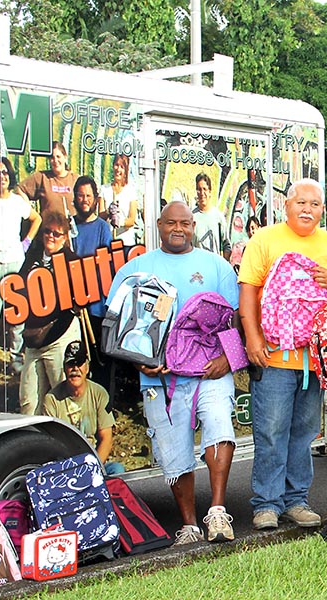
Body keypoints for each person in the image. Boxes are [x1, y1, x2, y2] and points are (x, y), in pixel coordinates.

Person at [107, 201, 240, 546]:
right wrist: (138, 360)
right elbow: (117, 324)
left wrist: (228, 360)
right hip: (160, 378)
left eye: (185, 223)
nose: (178, 229)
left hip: (209, 371)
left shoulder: (217, 266)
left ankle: (217, 513)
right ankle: (189, 526)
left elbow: (234, 319)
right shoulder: (135, 269)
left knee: (220, 427)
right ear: (159, 225)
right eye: (171, 223)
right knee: (173, 449)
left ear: (193, 226)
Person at [238, 178, 327, 530]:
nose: (307, 209)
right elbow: (248, 291)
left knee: (304, 433)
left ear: (323, 210)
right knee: (271, 432)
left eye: (315, 204)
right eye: (301, 202)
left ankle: (296, 501)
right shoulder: (265, 239)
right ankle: (267, 504)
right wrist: (252, 338)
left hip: (315, 361)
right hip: (273, 357)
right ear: (286, 206)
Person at [18, 211, 83, 416]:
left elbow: (80, 300)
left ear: (65, 237)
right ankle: (32, 436)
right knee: (28, 401)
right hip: (33, 339)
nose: (51, 236)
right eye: (47, 231)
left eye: (57, 233)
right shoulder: (33, 256)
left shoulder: (72, 261)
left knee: (64, 397)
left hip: (60, 336)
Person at [0, 157, 41, 373]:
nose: (2, 177)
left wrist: (26, 242)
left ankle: (16, 359)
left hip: (15, 262)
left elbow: (36, 219)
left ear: (10, 176)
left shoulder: (17, 202)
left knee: (17, 314)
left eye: (5, 172)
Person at [42, 341, 124, 475]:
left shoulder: (99, 393)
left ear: (87, 367)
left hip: (93, 462)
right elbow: (51, 444)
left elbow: (106, 439)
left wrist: (92, 469)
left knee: (117, 470)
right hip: (66, 465)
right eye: (70, 364)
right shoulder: (52, 399)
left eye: (79, 363)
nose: (75, 369)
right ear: (64, 368)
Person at [71, 176, 113, 391]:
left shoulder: (102, 228)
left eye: (88, 195)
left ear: (95, 198)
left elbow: (105, 265)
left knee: (100, 360)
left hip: (96, 305)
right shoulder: (70, 227)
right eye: (80, 196)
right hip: (74, 306)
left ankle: (103, 404)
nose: (84, 200)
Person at [17, 141, 78, 217]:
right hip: (48, 224)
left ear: (65, 157)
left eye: (58, 156)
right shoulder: (42, 177)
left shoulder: (75, 179)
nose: (55, 161)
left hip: (71, 224)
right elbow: (19, 189)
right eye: (52, 157)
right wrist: (31, 213)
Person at [99, 154, 140, 247]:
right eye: (116, 165)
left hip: (126, 242)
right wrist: (109, 212)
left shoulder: (131, 191)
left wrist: (119, 222)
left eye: (122, 167)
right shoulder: (104, 189)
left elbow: (131, 220)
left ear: (126, 170)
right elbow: (100, 217)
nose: (118, 169)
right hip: (108, 241)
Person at [192, 173, 231, 260]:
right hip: (197, 266)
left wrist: (223, 263)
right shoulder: (191, 217)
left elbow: (227, 245)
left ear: (210, 192)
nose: (202, 193)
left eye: (205, 189)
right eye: (199, 189)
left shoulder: (218, 217)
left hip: (214, 266)